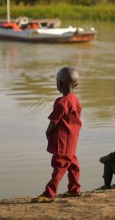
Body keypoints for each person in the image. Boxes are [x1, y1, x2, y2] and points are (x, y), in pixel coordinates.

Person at [32, 67, 82, 203]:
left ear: (59, 84)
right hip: (72, 139)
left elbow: (54, 121)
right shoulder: (76, 100)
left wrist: (48, 131)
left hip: (63, 140)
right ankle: (74, 189)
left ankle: (49, 193)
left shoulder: (61, 102)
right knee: (73, 164)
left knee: (59, 166)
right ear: (76, 84)